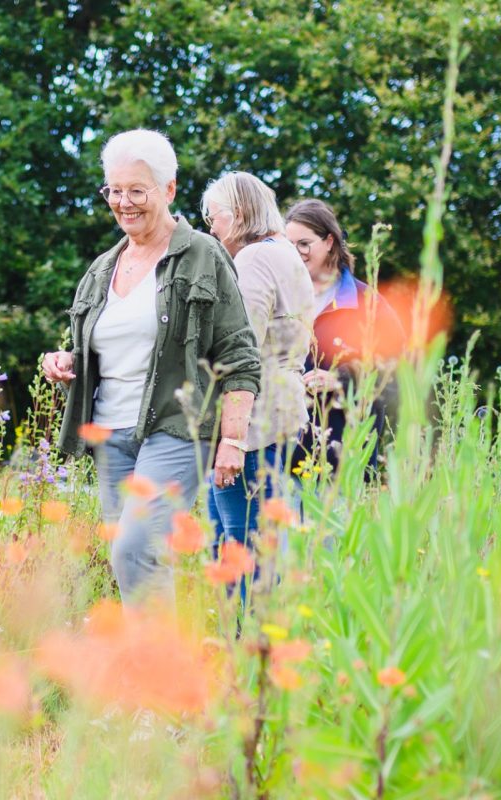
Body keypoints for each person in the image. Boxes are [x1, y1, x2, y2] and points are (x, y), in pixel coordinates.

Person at [42, 129, 262, 607]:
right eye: (114, 191)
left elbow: (240, 355)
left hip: (176, 429)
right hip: (109, 431)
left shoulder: (203, 253)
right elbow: (105, 351)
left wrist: (234, 439)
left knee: (134, 548)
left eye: (136, 190)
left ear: (169, 190)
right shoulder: (103, 267)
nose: (124, 202)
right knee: (136, 562)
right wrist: (65, 362)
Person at [201, 172, 315, 600]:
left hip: (252, 417)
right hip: (282, 409)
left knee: (238, 542)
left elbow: (238, 344)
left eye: (215, 217)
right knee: (257, 536)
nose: (211, 228)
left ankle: (245, 644)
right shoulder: (285, 254)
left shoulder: (252, 260)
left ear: (241, 214)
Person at [284, 199, 405, 475]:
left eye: (304, 243)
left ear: (329, 241)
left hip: (346, 462)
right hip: (285, 459)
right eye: (289, 246)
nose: (296, 253)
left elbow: (397, 372)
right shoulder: (281, 299)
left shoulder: (367, 303)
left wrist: (340, 380)